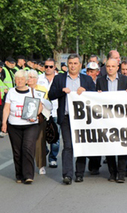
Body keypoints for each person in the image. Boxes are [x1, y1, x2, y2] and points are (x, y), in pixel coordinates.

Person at [48, 54, 96, 185]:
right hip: (66, 117)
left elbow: (96, 95)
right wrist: (61, 91)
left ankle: (79, 173)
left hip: (82, 119)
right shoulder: (59, 79)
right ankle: (67, 175)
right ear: (67, 64)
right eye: (70, 63)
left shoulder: (87, 79)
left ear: (80, 65)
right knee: (68, 146)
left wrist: (85, 90)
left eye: (75, 63)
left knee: (80, 145)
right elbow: (51, 95)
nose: (73, 66)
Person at [1, 70, 43, 184]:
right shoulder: (11, 92)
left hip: (30, 125)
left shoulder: (33, 92)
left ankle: (28, 175)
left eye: (22, 79)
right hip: (14, 125)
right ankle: (19, 174)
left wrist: (35, 114)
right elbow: (6, 108)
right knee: (17, 151)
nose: (19, 81)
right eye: (17, 79)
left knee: (28, 148)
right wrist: (4, 123)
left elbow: (40, 106)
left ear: (26, 80)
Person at [96, 59, 127, 183]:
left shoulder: (126, 80)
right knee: (109, 146)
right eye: (108, 66)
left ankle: (121, 173)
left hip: (121, 118)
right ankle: (112, 172)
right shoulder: (100, 81)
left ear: (118, 67)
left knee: (122, 145)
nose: (110, 68)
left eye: (113, 66)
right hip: (106, 119)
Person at [27, 70, 52, 175]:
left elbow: (49, 105)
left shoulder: (42, 89)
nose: (30, 79)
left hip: (40, 118)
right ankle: (27, 165)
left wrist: (42, 102)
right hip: (25, 119)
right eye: (28, 77)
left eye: (32, 77)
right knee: (27, 143)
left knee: (40, 142)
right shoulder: (22, 88)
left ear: (37, 79)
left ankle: (41, 165)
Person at [37, 58, 60, 169]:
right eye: (46, 66)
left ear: (54, 67)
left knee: (55, 136)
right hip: (42, 112)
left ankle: (53, 158)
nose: (48, 69)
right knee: (41, 136)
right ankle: (44, 150)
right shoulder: (39, 78)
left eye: (51, 66)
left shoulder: (60, 78)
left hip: (56, 110)